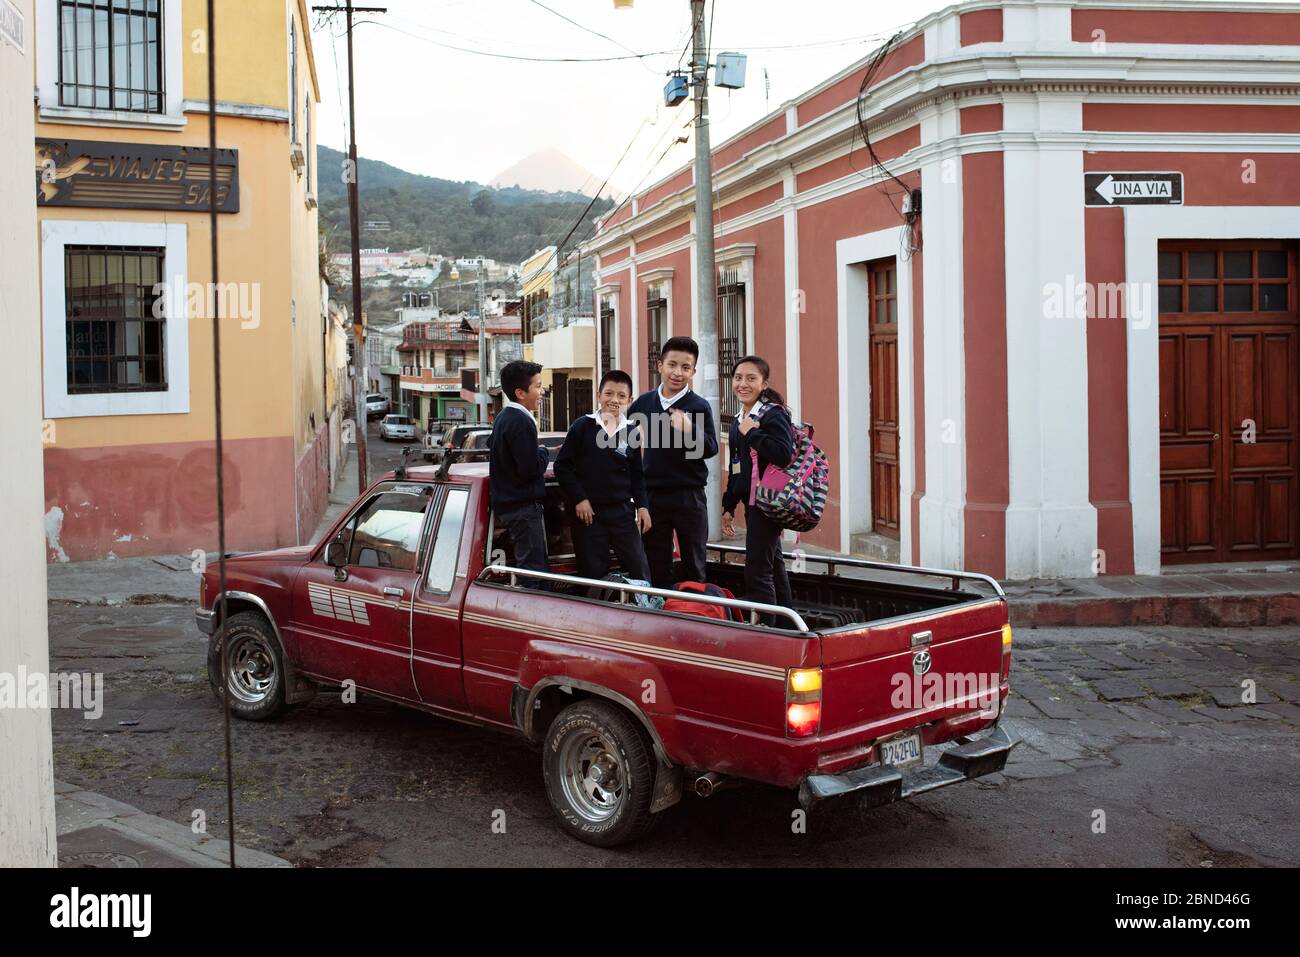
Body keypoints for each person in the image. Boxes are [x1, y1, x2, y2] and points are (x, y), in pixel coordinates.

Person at [627, 336, 719, 589]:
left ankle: (694, 618)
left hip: (689, 496)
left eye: (686, 367)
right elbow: (626, 448)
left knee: (694, 565)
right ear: (660, 365)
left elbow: (710, 448)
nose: (678, 373)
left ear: (693, 371)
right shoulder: (643, 404)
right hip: (652, 497)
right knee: (656, 564)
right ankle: (661, 616)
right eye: (672, 365)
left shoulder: (698, 406)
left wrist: (689, 429)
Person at [553, 370, 652, 585]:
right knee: (593, 574)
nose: (614, 400)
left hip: (622, 513)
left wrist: (643, 506)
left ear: (629, 400)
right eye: (609, 393)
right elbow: (562, 467)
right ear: (598, 395)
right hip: (589, 516)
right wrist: (580, 499)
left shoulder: (632, 431)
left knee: (639, 569)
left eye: (621, 396)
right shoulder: (582, 426)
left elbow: (637, 475)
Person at [721, 355, 795, 622]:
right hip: (753, 505)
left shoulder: (772, 414)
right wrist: (728, 504)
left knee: (757, 571)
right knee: (773, 567)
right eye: (738, 378)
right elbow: (737, 466)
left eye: (751, 378)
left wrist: (753, 433)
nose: (743, 383)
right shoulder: (739, 418)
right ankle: (787, 626)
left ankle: (766, 629)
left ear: (764, 383)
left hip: (768, 504)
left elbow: (784, 454)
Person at [488, 360, 550, 587]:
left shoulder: (503, 418)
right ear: (520, 393)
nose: (542, 391)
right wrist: (543, 452)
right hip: (523, 508)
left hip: (510, 506)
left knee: (533, 570)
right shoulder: (522, 421)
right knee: (533, 574)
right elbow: (529, 469)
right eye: (538, 386)